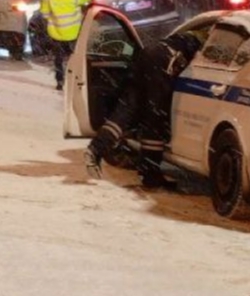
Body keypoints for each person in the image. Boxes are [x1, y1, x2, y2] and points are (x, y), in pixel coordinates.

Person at [85, 27, 204, 187]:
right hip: (162, 60)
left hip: (148, 54)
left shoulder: (186, 35)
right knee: (156, 117)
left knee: (128, 108)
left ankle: (96, 148)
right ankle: (150, 174)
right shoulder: (201, 43)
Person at [39, 0, 92, 91]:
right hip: (74, 32)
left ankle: (60, 81)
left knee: (59, 58)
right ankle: (77, 81)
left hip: (56, 32)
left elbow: (45, 14)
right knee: (75, 57)